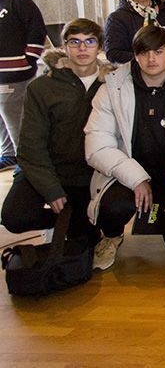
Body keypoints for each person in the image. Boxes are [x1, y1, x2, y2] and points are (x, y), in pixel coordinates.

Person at [84, 25, 165, 270]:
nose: (151, 59)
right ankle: (112, 236)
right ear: (135, 56)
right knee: (113, 207)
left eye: (158, 52)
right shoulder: (112, 88)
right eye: (144, 53)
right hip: (126, 176)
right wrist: (136, 179)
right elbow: (96, 146)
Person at [0, 19, 108, 247]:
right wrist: (50, 189)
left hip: (87, 173)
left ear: (100, 46)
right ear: (64, 47)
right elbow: (30, 146)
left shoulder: (111, 85)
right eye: (74, 42)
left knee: (85, 238)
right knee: (14, 216)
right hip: (45, 168)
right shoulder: (41, 87)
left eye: (89, 42)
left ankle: (74, 222)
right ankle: (60, 222)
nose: (82, 48)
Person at [0, 0, 46, 171]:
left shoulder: (16, 0)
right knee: (3, 116)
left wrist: (29, 58)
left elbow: (37, 29)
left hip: (15, 73)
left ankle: (25, 160)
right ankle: (9, 154)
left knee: (14, 116)